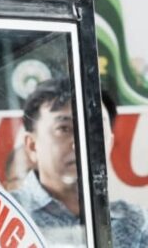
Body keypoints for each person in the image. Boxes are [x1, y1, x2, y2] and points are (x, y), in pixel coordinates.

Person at [12, 78, 148, 246]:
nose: (81, 142)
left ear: (110, 143)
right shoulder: (5, 213)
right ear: (32, 145)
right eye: (64, 129)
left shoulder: (137, 222)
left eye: (95, 129)